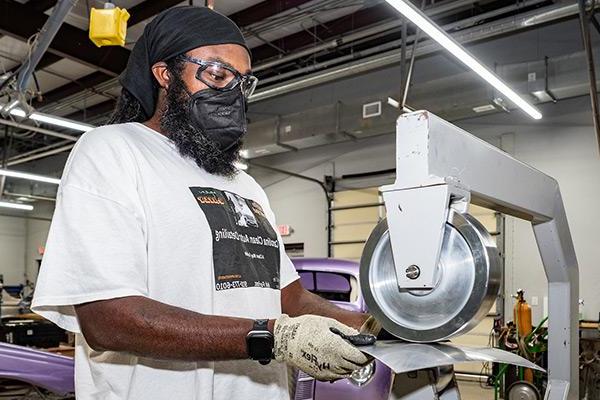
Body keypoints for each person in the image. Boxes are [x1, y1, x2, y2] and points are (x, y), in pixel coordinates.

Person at [32, 6, 380, 400]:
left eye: (242, 82)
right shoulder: (114, 151)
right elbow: (107, 319)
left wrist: (371, 324)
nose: (232, 93)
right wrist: (271, 338)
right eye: (217, 75)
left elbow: (289, 298)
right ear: (164, 74)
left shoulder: (245, 184)